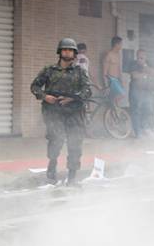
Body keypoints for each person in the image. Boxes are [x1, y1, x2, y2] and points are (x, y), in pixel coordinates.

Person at [30, 38, 92, 184]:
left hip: (74, 113)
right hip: (54, 112)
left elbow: (87, 91)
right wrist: (45, 97)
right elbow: (35, 86)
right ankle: (52, 164)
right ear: (60, 52)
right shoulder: (49, 70)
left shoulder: (80, 71)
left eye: (70, 50)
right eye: (64, 49)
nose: (67, 52)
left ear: (74, 53)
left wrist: (72, 98)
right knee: (55, 140)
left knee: (75, 143)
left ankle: (72, 176)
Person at [129, 49, 154, 137]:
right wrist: (145, 74)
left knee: (148, 109)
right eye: (139, 57)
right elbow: (134, 76)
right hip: (135, 90)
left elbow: (153, 72)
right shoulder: (133, 64)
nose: (140, 58)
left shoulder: (148, 63)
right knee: (136, 111)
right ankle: (137, 132)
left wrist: (144, 66)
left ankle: (144, 127)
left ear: (145, 57)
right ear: (136, 56)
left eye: (142, 57)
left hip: (146, 90)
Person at [102, 36, 125, 106]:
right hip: (111, 80)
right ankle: (112, 104)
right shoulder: (109, 55)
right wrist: (106, 85)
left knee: (119, 98)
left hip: (117, 80)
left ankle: (114, 111)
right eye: (121, 44)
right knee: (122, 94)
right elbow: (104, 72)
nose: (121, 46)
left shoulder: (118, 54)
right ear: (116, 44)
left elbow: (119, 69)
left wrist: (121, 81)